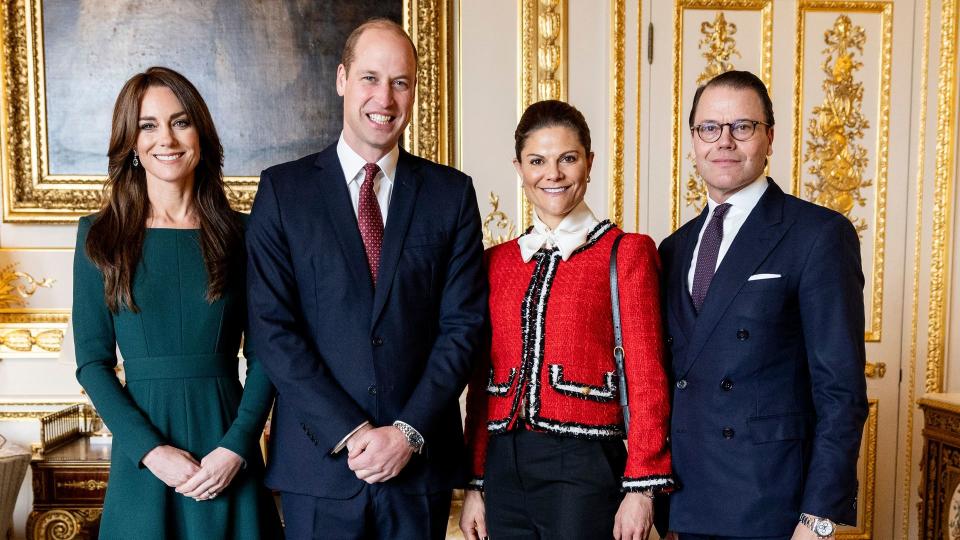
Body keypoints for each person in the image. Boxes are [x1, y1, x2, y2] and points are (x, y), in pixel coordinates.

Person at [245, 18, 487, 540]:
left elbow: (463, 327)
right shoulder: (283, 193)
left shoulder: (451, 195)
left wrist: (406, 433)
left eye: (400, 82)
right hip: (320, 465)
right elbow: (271, 330)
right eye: (370, 78)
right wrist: (350, 432)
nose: (385, 97)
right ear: (341, 79)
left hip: (417, 465)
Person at [72, 66, 282, 539]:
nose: (165, 138)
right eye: (148, 125)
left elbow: (268, 353)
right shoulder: (98, 236)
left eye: (180, 121)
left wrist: (238, 446)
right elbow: (93, 362)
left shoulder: (245, 233)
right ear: (131, 141)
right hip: (143, 460)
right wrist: (150, 451)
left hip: (228, 446)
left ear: (201, 134)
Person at [658, 70, 869, 540]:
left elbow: (841, 392)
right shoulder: (673, 248)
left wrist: (818, 519)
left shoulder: (817, 234)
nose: (724, 142)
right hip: (685, 504)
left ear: (769, 137)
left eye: (743, 126)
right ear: (694, 141)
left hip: (774, 506)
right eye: (709, 128)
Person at [459, 100, 673, 540]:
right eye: (537, 161)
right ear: (519, 168)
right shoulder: (497, 262)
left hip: (584, 466)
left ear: (589, 163)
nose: (551, 174)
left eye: (567, 159)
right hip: (504, 467)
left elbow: (649, 377)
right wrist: (476, 483)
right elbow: (481, 382)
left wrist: (641, 488)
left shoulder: (626, 253)